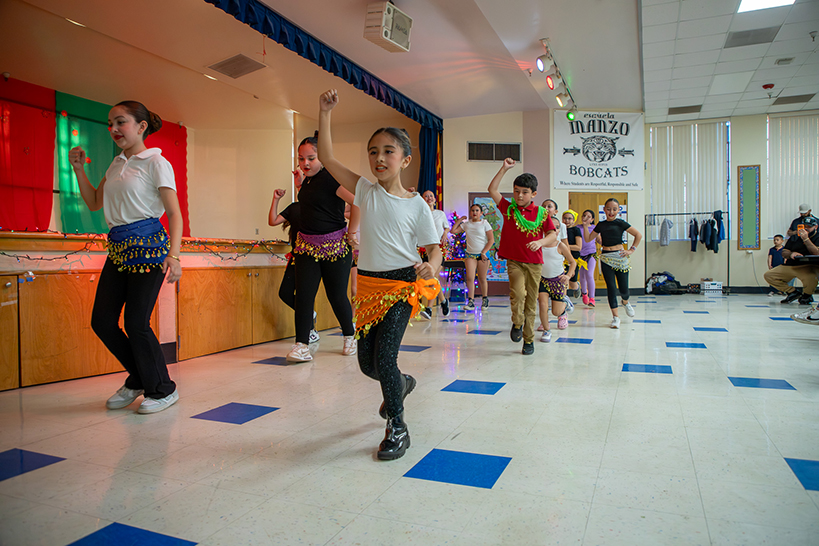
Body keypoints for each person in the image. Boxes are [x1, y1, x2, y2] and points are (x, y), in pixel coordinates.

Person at [318, 89, 442, 460]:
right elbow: (326, 157)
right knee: (367, 364)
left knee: (385, 358)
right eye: (373, 151)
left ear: (405, 160)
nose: (379, 158)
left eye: (388, 151)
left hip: (403, 284)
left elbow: (435, 247)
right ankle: (402, 385)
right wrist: (324, 113)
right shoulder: (364, 191)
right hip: (369, 285)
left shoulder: (417, 203)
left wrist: (430, 266)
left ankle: (398, 426)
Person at [68, 101, 182, 414]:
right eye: (110, 124)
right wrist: (78, 170)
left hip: (149, 250)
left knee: (136, 322)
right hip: (118, 250)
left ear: (141, 126)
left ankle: (163, 388)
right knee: (102, 321)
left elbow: (174, 213)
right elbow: (93, 202)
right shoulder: (115, 164)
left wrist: (175, 256)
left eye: (121, 122)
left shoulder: (156, 162)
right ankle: (138, 378)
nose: (114, 129)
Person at [286, 132, 359, 363]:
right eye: (301, 159)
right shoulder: (306, 181)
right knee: (304, 296)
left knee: (336, 295)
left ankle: (349, 335)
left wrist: (352, 232)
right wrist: (300, 183)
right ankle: (301, 344)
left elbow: (357, 201)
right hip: (306, 246)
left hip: (335, 247)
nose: (305, 163)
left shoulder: (331, 178)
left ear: (322, 158)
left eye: (311, 158)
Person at [488, 158, 557, 355]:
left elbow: (552, 234)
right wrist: (504, 169)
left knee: (531, 302)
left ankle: (529, 340)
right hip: (515, 261)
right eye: (516, 191)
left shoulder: (541, 213)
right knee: (517, 295)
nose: (519, 195)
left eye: (525, 192)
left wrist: (540, 242)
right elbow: (492, 190)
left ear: (533, 194)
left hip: (534, 263)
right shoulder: (508, 209)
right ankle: (517, 323)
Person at [269, 189, 321, 344]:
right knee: (285, 293)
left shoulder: (319, 207)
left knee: (305, 296)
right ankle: (310, 314)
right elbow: (272, 221)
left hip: (313, 257)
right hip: (296, 257)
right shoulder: (294, 207)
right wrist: (276, 199)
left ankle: (310, 331)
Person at [583, 198, 642, 329]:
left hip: (620, 257)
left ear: (618, 210)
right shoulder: (601, 225)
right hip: (606, 258)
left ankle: (625, 302)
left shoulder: (621, 223)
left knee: (624, 288)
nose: (611, 211)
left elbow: (638, 235)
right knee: (611, 287)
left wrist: (631, 250)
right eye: (608, 209)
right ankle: (615, 317)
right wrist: (586, 226)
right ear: (604, 210)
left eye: (614, 209)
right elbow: (588, 239)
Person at [764, 216, 819, 305]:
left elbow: (816, 253)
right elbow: (784, 252)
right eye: (804, 226)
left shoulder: (817, 237)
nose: (806, 229)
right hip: (792, 265)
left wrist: (806, 239)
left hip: (809, 266)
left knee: (811, 280)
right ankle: (792, 292)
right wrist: (791, 254)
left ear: (815, 227)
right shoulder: (795, 237)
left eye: (809, 227)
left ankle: (806, 295)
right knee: (769, 275)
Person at [451, 204, 494, 309]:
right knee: (470, 278)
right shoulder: (467, 224)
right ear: (470, 213)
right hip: (470, 254)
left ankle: (485, 299)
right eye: (472, 210)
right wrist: (460, 219)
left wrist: (484, 252)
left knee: (482, 278)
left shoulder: (485, 223)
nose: (474, 212)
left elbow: (491, 240)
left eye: (477, 210)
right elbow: (453, 231)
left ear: (481, 213)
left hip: (482, 254)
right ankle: (471, 301)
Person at [537, 237, 576, 342]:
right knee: (542, 304)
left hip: (558, 281)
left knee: (556, 312)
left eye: (556, 228)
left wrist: (568, 276)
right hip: (543, 280)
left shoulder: (560, 245)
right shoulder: (539, 244)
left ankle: (564, 304)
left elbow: (572, 262)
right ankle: (547, 330)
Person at [423, 190, 451, 316]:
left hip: (439, 249)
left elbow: (447, 226)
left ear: (435, 199)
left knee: (433, 276)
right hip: (424, 249)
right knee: (431, 277)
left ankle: (429, 309)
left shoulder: (440, 213)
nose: (429, 198)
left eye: (431, 196)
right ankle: (443, 300)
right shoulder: (421, 214)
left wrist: (445, 233)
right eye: (426, 196)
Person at [578, 209, 600, 307]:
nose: (586, 218)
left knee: (589, 275)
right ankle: (584, 293)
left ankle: (592, 298)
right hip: (580, 255)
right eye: (584, 215)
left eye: (588, 216)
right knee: (582, 276)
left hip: (591, 254)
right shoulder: (577, 228)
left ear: (592, 219)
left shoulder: (595, 228)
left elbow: (600, 240)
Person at [562, 210, 582, 298]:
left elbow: (578, 247)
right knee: (563, 279)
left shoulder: (576, 230)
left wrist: (565, 247)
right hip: (562, 258)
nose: (567, 220)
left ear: (574, 220)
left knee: (572, 283)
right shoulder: (560, 229)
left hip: (573, 258)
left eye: (569, 219)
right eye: (565, 218)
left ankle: (576, 286)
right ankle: (563, 298)